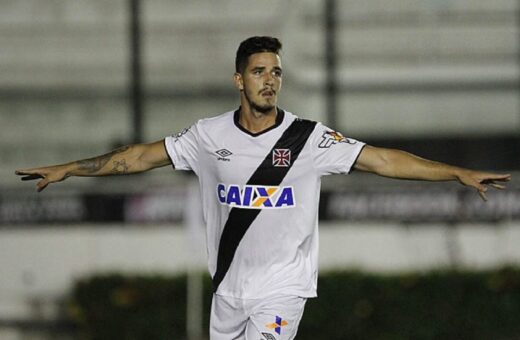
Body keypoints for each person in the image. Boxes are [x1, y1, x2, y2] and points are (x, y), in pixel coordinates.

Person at [16, 36, 511, 340]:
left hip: (282, 289)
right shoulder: (209, 136)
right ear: (239, 80)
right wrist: (70, 168)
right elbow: (139, 157)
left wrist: (456, 172)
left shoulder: (308, 138)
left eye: (276, 72)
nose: (270, 80)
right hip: (229, 290)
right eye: (259, 71)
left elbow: (382, 159)